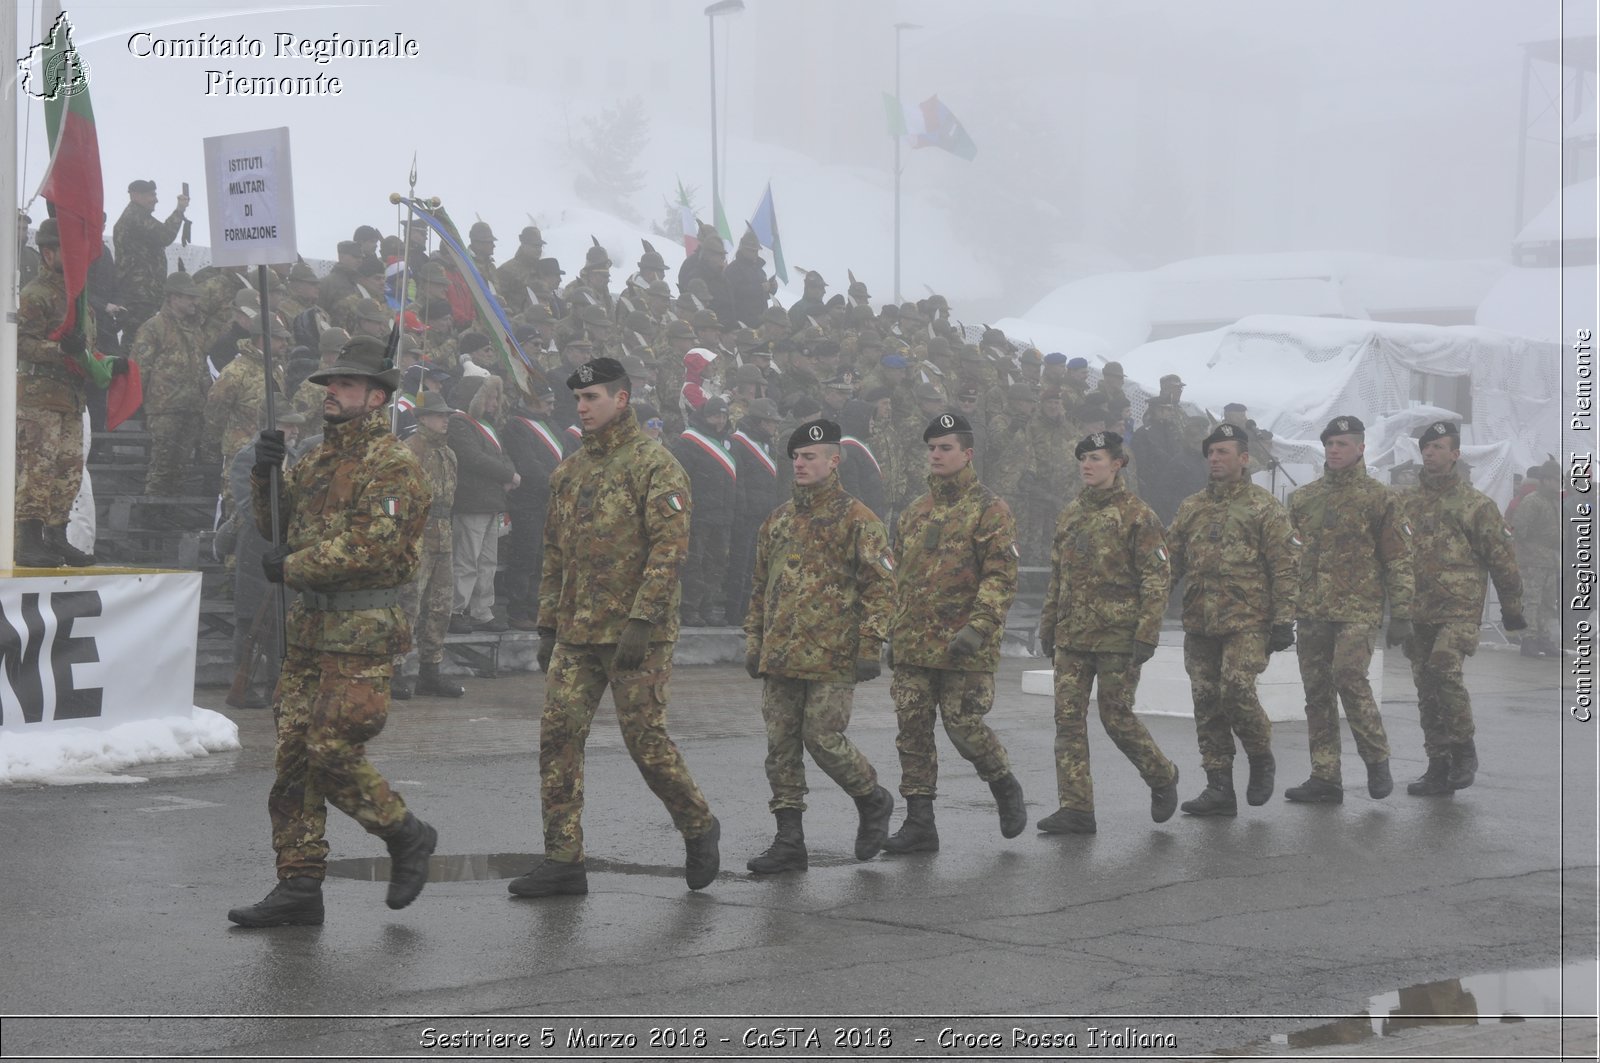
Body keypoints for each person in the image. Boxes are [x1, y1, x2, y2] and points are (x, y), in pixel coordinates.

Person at [228, 335, 438, 927]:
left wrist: (292, 567)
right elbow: (279, 528)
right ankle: (298, 883)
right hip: (311, 626)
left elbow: (375, 547)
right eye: (330, 384)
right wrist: (264, 475)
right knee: (293, 756)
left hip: (361, 629)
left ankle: (405, 832)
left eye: (346, 385)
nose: (332, 393)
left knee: (330, 749)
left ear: (376, 398)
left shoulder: (395, 464)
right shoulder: (318, 458)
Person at [510, 357, 720, 897]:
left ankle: (698, 824)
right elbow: (555, 553)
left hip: (636, 633)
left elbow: (669, 550)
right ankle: (563, 858)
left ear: (621, 399)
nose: (582, 408)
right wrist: (547, 625)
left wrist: (644, 618)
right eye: (578, 400)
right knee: (557, 738)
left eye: (593, 398)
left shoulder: (656, 464)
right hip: (578, 633)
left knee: (645, 741)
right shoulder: (569, 471)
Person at [742, 418, 897, 875]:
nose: (800, 464)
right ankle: (789, 840)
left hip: (832, 653)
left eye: (810, 456)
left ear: (834, 461)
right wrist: (754, 640)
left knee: (822, 739)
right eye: (796, 457)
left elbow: (881, 586)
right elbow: (757, 587)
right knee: (781, 748)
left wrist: (871, 643)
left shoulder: (858, 519)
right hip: (781, 655)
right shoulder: (778, 520)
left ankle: (872, 798)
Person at [883, 413, 1026, 852]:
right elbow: (898, 576)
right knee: (912, 731)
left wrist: (979, 627)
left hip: (963, 644)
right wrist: (892, 631)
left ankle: (1003, 784)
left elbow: (1001, 575)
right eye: (931, 448)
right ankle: (919, 822)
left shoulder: (989, 508)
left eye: (945, 448)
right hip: (914, 643)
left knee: (963, 727)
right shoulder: (915, 511)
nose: (936, 455)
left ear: (967, 454)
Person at [1036, 431, 1179, 834]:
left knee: (1116, 716)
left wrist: (1147, 633)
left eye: (1096, 457)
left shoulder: (1138, 515)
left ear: (1117, 464)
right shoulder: (1070, 514)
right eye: (1083, 457)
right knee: (1067, 720)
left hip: (1118, 635)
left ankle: (1162, 775)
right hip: (1072, 636)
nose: (1087, 464)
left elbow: (1156, 577)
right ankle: (1076, 807)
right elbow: (1057, 576)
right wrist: (1049, 625)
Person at [1166, 423, 1299, 816]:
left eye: (1223, 452)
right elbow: (1169, 563)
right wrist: (1149, 607)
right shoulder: (1192, 507)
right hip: (1200, 621)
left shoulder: (1264, 507)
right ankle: (1218, 785)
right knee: (1206, 701)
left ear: (1244, 458)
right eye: (1211, 452)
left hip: (1248, 620)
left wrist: (1283, 619)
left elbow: (1285, 566)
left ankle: (1260, 756)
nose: (1215, 459)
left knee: (1236, 689)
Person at [1284, 415, 1413, 804]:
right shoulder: (1304, 498)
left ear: (1360, 448)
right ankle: (1325, 775)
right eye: (1330, 444)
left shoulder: (1381, 498)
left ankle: (1376, 759)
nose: (1334, 451)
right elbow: (1289, 556)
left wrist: (1402, 612)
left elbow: (1398, 558)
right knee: (1316, 692)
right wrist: (1282, 606)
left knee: (1349, 678)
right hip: (1312, 609)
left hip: (1358, 607)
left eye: (1342, 444)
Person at [1394, 422, 1524, 794]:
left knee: (1444, 669)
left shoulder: (1476, 505)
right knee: (1425, 688)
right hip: (1420, 611)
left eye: (1438, 446)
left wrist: (1512, 609)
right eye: (1426, 447)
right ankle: (1438, 764)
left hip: (1459, 610)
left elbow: (1502, 558)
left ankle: (1464, 749)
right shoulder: (1407, 503)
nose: (1431, 453)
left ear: (1455, 454)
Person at [14, 218, 120, 567]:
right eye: (66, 251)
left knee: (69, 469)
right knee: (37, 469)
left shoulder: (79, 298)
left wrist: (106, 363)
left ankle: (56, 537)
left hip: (72, 398)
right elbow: (20, 343)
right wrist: (58, 350)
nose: (75, 257)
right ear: (47, 253)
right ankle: (27, 540)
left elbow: (83, 351)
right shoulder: (35, 294)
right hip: (40, 398)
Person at [225, 408, 307, 709]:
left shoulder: (296, 458)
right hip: (256, 546)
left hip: (286, 549)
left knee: (283, 619)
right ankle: (244, 682)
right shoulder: (249, 456)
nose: (295, 432)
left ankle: (277, 681)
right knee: (250, 620)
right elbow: (247, 503)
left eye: (297, 427)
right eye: (288, 425)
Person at [394, 390, 466, 701]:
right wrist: (398, 533)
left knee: (440, 607)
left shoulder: (448, 454)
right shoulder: (408, 452)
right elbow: (390, 499)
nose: (445, 420)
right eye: (439, 415)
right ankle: (394, 670)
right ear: (422, 418)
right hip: (416, 534)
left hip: (443, 535)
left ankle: (430, 672)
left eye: (447, 415)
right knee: (408, 605)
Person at [446, 374, 517, 633]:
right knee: (466, 560)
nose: (495, 403)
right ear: (475, 398)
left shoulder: (487, 426)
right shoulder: (458, 423)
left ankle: (481, 610)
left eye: (496, 397)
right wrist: (507, 475)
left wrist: (510, 473)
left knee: (487, 560)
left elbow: (504, 455)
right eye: (490, 397)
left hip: (491, 503)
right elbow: (472, 458)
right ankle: (455, 609)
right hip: (471, 502)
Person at [130, 272, 209, 497]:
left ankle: (168, 514)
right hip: (164, 408)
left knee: (181, 468)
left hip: (192, 407)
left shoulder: (195, 329)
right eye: (189, 297)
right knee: (162, 466)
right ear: (173, 297)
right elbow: (139, 367)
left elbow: (201, 366)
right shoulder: (154, 327)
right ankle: (152, 515)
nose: (195, 302)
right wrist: (140, 405)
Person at [671, 395, 736, 626]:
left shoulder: (730, 443)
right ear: (705, 416)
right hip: (699, 514)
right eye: (715, 415)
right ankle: (690, 608)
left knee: (716, 564)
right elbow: (677, 478)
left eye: (724, 415)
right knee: (694, 563)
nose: (720, 420)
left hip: (723, 514)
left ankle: (708, 607)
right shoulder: (688, 442)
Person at [112, 178, 189, 334]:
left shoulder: (136, 216)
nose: (156, 200)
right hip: (139, 294)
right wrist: (179, 211)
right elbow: (165, 235)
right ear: (135, 195)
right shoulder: (135, 217)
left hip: (141, 294)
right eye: (151, 195)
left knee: (141, 338)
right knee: (138, 339)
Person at [1513, 462, 1562, 658]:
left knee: (1548, 602)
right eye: (1556, 480)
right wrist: (1531, 549)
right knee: (1532, 601)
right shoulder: (1532, 501)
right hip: (1533, 561)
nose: (1558, 484)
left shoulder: (1553, 501)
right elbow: (1519, 530)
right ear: (1545, 480)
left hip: (1549, 560)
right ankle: (1529, 640)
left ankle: (1544, 638)